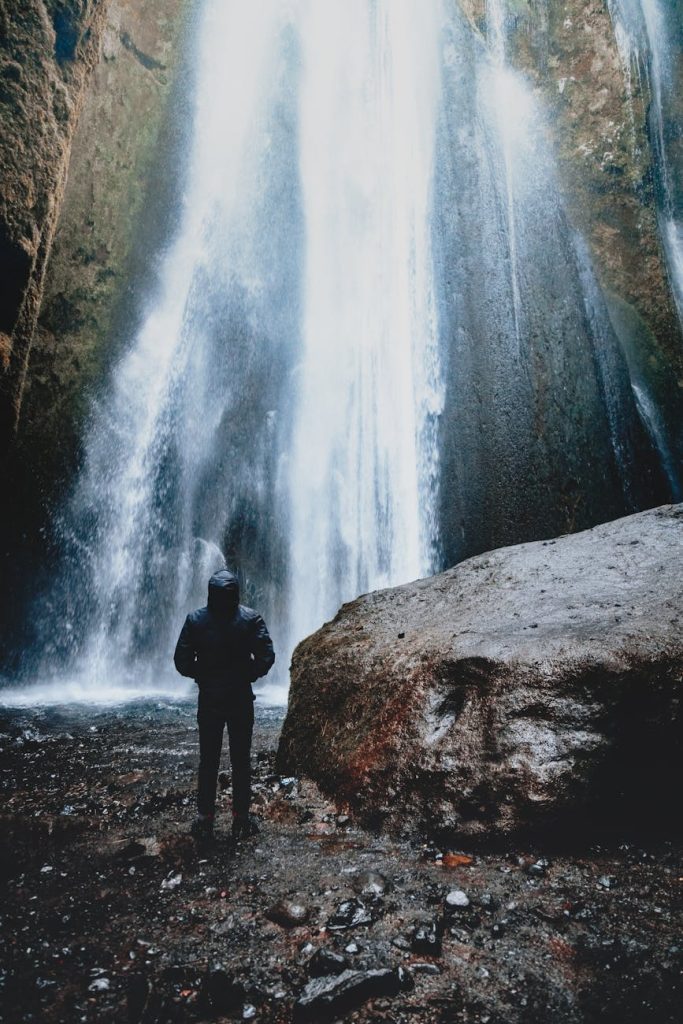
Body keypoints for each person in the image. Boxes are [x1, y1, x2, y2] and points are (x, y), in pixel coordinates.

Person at [174, 568, 275, 840]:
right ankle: (241, 818)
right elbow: (266, 656)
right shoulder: (250, 619)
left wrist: (202, 674)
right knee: (241, 760)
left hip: (210, 699)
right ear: (235, 593)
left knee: (208, 760)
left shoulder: (195, 620)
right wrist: (248, 674)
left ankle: (205, 818)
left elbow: (181, 662)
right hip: (241, 698)